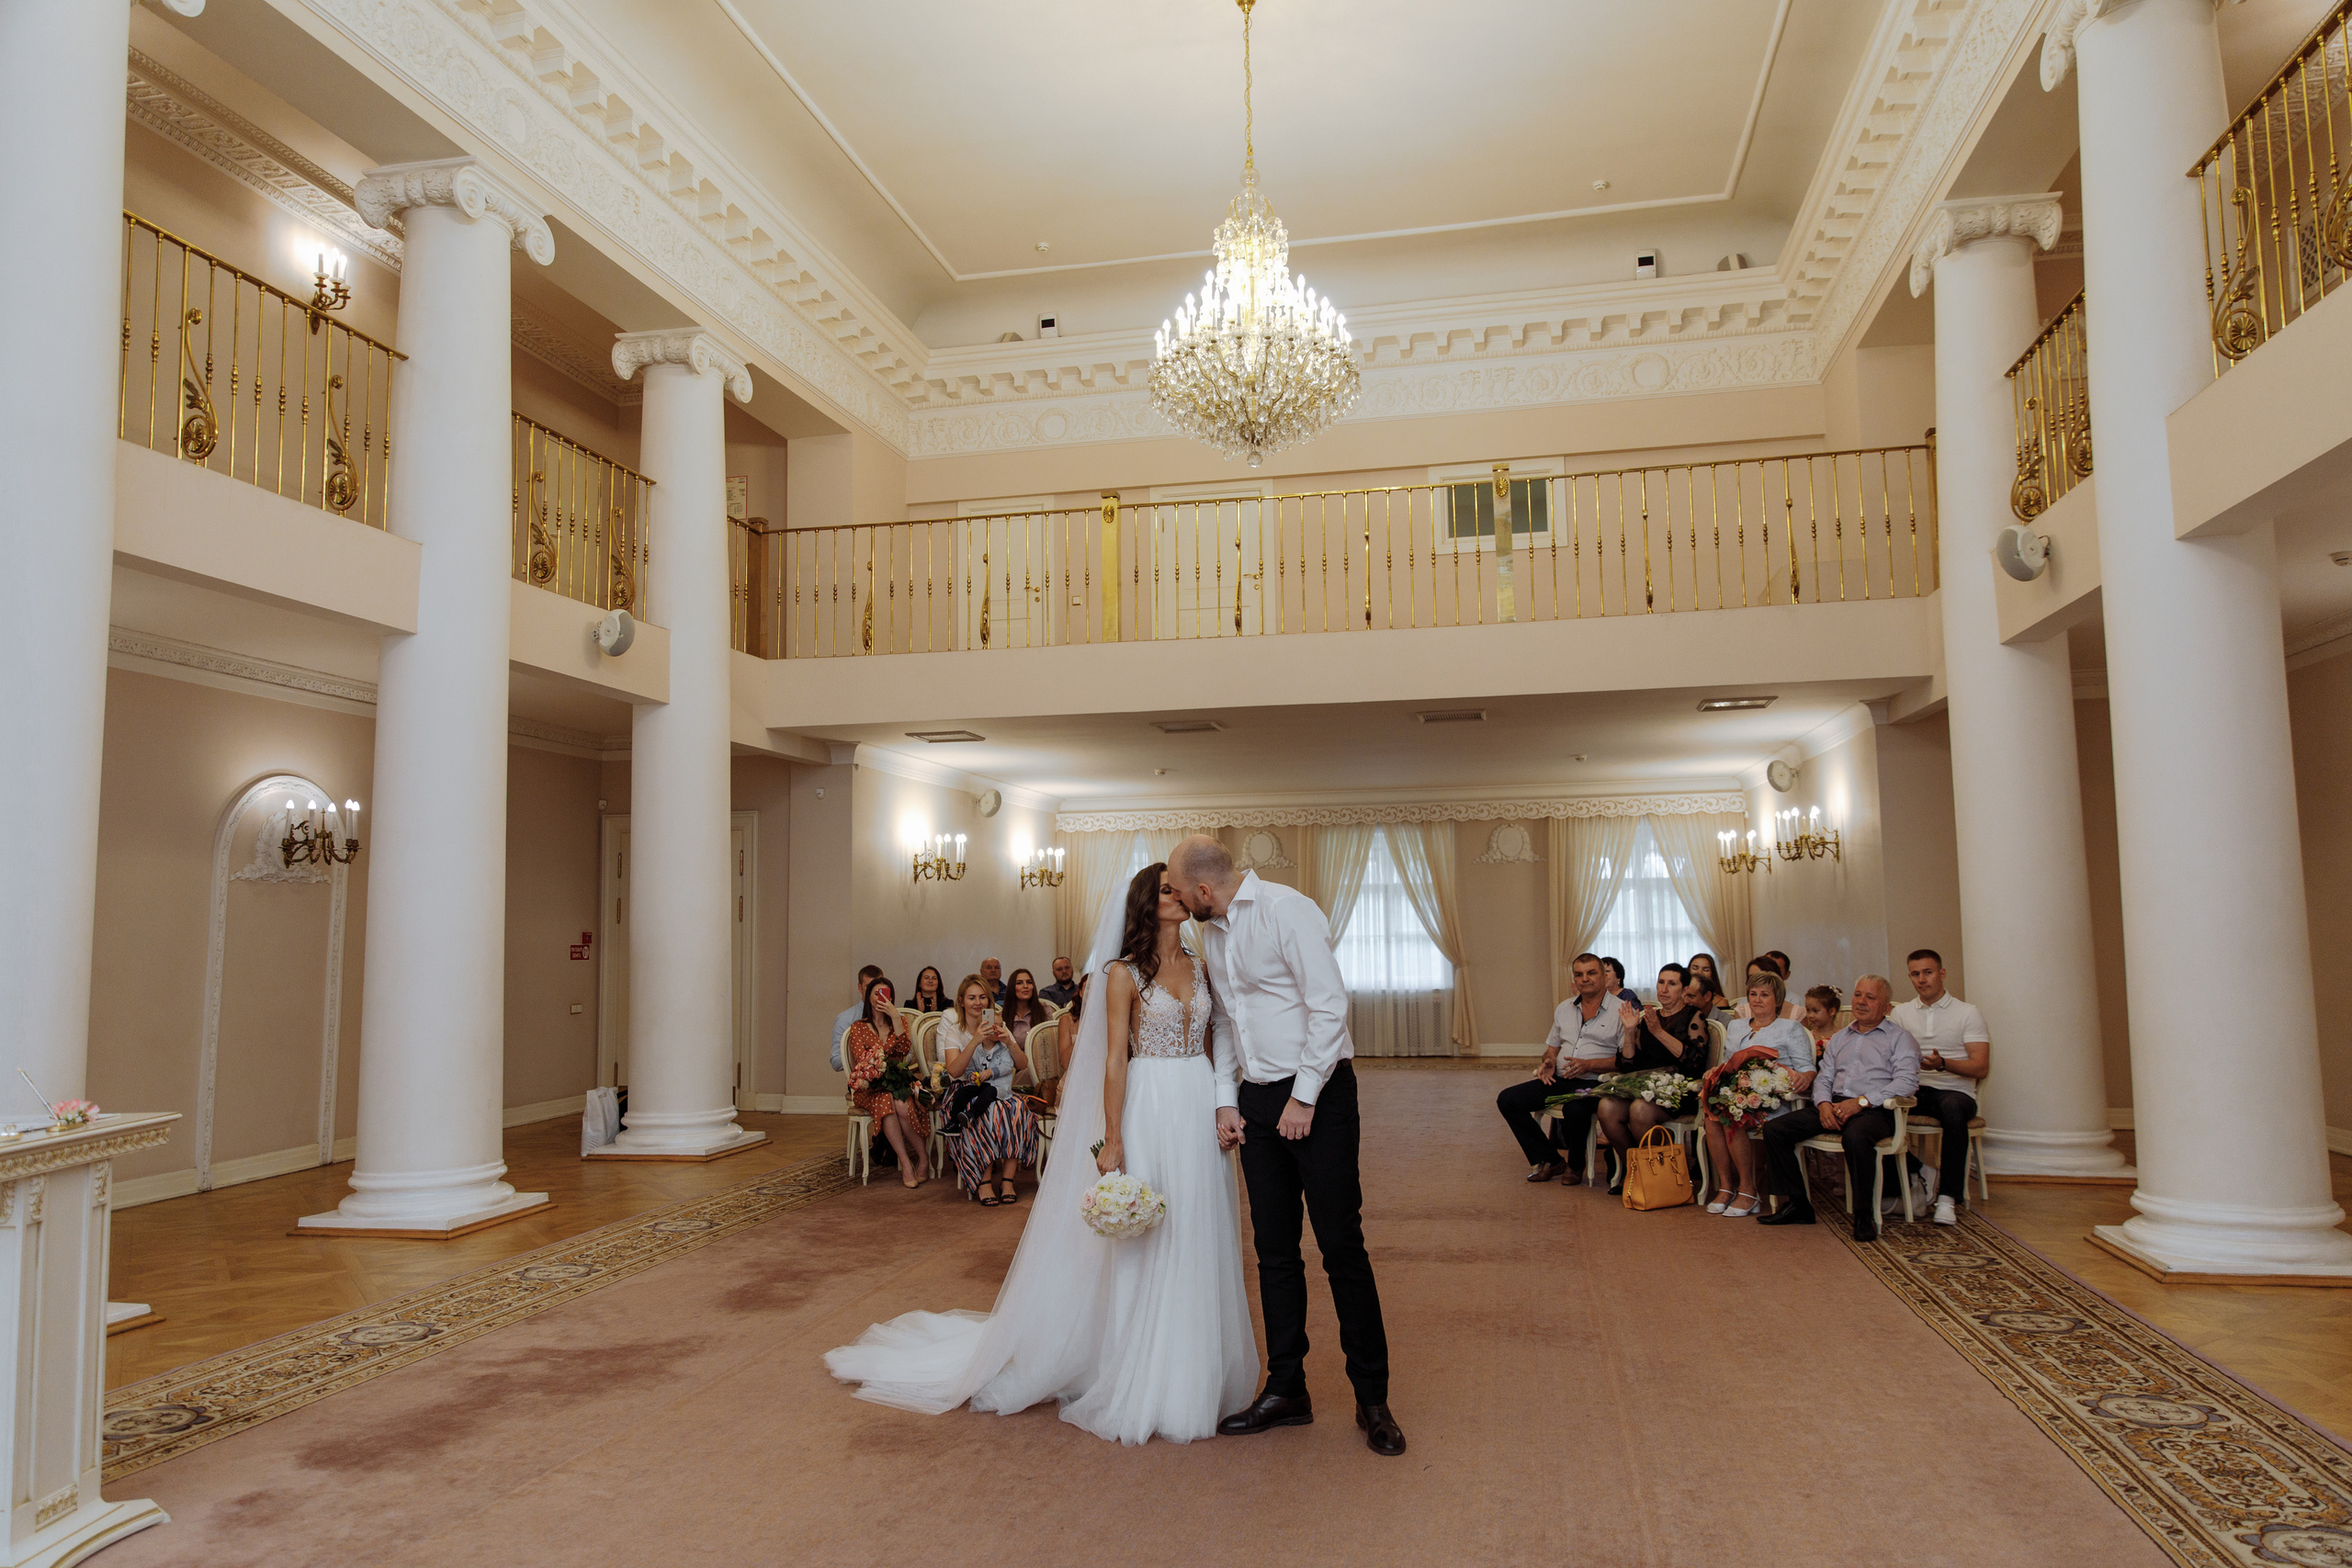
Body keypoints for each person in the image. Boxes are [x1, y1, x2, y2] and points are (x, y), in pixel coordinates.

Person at [823, 864, 1256, 1447]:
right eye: (1165, 891)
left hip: (1196, 1104)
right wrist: (1114, 1137)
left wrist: (1221, 1105)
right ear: (1145, 906)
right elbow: (1113, 1060)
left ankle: (1193, 1367)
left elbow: (1217, 1038)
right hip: (1148, 1108)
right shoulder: (1122, 974)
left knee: (1198, 1228)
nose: (1178, 897)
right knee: (1148, 1233)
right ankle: (1136, 1368)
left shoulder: (1204, 967)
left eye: (1179, 889)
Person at [1171, 833, 1405, 1459]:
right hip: (1255, 1100)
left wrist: (1303, 1098)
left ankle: (1372, 1396)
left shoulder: (1287, 909)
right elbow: (1224, 1020)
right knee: (1273, 1249)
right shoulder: (1211, 934)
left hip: (1321, 1095)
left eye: (1175, 888)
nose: (1174, 899)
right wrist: (1227, 1095)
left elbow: (1330, 1006)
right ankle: (1286, 1388)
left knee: (1339, 1244)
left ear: (1201, 888)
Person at [1760, 976, 1920, 1242]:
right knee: (1776, 1129)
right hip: (1834, 1103)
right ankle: (1798, 1204)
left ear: (1886, 1008)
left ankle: (1863, 1213)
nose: (1862, 1002)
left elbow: (1906, 1082)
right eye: (1858, 995)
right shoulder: (1840, 1037)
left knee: (1856, 1137)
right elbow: (1824, 1077)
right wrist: (1822, 1104)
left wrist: (1861, 1102)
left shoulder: (1900, 1039)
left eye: (1871, 997)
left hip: (1875, 1109)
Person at [1497, 953, 1622, 1184]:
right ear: (1573, 979)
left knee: (1575, 1110)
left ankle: (1575, 1165)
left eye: (1591, 973)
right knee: (1508, 1099)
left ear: (1604, 977)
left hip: (1596, 1083)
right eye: (1579, 974)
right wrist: (1549, 1062)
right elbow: (1551, 1049)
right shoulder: (1564, 1008)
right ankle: (1552, 1160)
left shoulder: (1621, 1011)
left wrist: (1590, 1065)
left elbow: (1626, 1061)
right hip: (1561, 1079)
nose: (1585, 979)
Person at [1700, 971, 1816, 1218]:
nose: (1757, 999)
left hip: (1774, 1100)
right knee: (1712, 1113)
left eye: (1764, 995)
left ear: (1778, 1000)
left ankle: (1748, 1190)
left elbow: (1807, 1069)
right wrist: (1715, 1071)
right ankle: (1726, 1186)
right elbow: (1727, 1063)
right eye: (1753, 994)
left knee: (1731, 1114)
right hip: (1736, 1094)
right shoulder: (1736, 1025)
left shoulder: (1790, 1028)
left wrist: (1803, 1077)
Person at [1891, 948, 1990, 1226]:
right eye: (1915, 974)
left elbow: (1981, 1066)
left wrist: (1943, 1063)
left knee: (1953, 1110)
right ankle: (1921, 1169)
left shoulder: (1968, 1013)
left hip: (1955, 1092)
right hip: (1914, 1089)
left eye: (1928, 972)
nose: (1922, 979)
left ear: (1941, 974)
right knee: (1876, 1108)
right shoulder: (1901, 1013)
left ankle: (1947, 1199)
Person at [1594, 963, 1713, 1192]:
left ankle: (1663, 1174)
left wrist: (1659, 1032)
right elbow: (1628, 1065)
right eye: (1661, 982)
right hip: (1646, 1087)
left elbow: (1693, 1061)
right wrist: (1629, 1031)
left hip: (1680, 1090)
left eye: (1672, 983)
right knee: (1606, 1107)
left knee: (1639, 1109)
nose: (1664, 989)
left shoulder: (1693, 1016)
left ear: (1684, 990)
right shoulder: (1650, 1017)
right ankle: (1636, 1169)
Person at [938, 974, 1041, 1206]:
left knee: (1017, 1110)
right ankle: (983, 1181)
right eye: (972, 998)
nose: (978, 1003)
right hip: (965, 1088)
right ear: (961, 1000)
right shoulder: (954, 1031)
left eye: (983, 997)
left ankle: (1007, 1180)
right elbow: (954, 1071)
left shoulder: (998, 1025)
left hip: (998, 1089)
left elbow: (1022, 1064)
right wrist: (974, 1040)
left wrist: (1009, 1041)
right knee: (986, 1113)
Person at [844, 976, 931, 1190]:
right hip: (870, 1087)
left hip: (895, 1083)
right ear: (868, 997)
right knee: (887, 1100)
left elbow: (903, 1054)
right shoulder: (858, 1027)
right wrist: (882, 1063)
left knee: (901, 1103)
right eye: (876, 993)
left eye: (886, 994)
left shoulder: (896, 1023)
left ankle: (923, 1158)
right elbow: (864, 1060)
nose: (880, 998)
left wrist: (896, 1019)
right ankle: (906, 1164)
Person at [831, 964, 882, 1072]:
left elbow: (909, 1055)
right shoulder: (845, 1019)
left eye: (877, 988)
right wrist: (866, 1057)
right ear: (860, 987)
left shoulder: (895, 1017)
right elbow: (835, 1062)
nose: (873, 992)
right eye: (869, 987)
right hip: (861, 1081)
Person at [1733, 954, 1803, 1023]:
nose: (1756, 981)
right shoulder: (1742, 1010)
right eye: (1751, 977)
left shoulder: (1796, 1011)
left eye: (1761, 977)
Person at [1002, 967, 1048, 1050]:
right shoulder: (1003, 1015)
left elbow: (1050, 1041)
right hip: (1013, 1061)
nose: (1025, 986)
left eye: (1029, 982)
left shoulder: (1044, 1009)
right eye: (1019, 983)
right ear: (1012, 987)